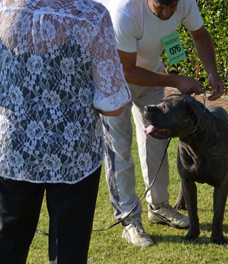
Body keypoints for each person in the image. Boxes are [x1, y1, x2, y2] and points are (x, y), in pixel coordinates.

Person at [0, 0, 130, 263]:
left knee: (7, 246)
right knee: (69, 250)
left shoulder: (3, 8)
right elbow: (112, 105)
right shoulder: (92, 15)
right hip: (74, 156)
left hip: (15, 150)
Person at [102, 0, 224, 247]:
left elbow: (199, 35)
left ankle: (158, 207)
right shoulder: (125, 12)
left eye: (172, 6)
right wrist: (175, 79)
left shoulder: (185, 3)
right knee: (120, 149)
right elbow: (127, 70)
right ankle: (129, 220)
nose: (168, 13)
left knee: (157, 141)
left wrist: (212, 71)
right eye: (160, 7)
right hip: (114, 76)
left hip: (150, 75)